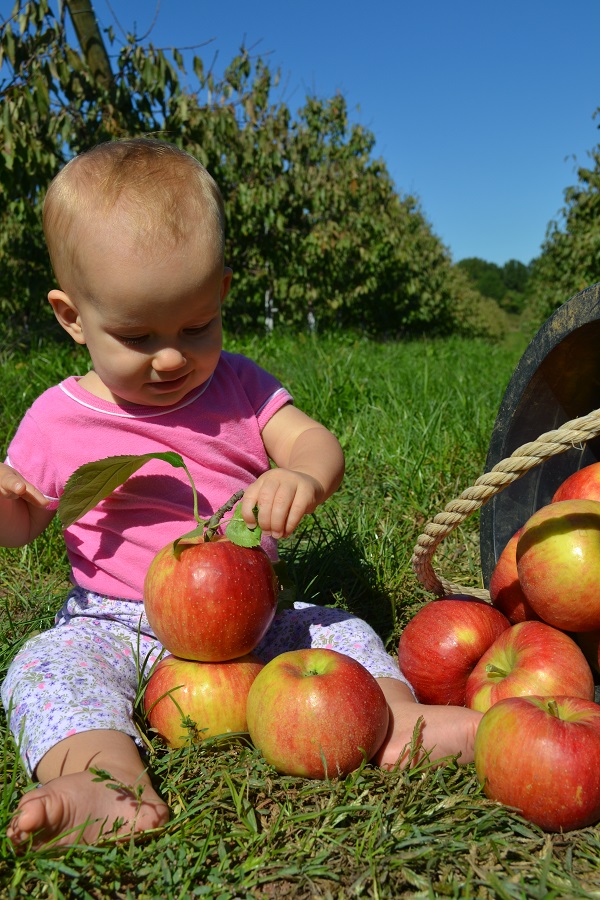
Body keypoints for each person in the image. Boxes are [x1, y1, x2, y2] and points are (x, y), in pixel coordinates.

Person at [1, 139, 481, 852]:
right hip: (114, 619)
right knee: (46, 669)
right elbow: (23, 525)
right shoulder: (59, 418)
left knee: (340, 631)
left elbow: (315, 444)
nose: (171, 356)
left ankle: (392, 721)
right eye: (136, 335)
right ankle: (100, 780)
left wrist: (300, 474)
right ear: (73, 318)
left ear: (222, 295)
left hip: (251, 615)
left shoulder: (240, 387)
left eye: (196, 326)